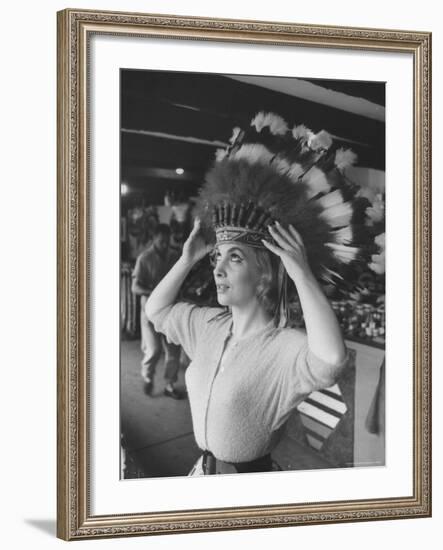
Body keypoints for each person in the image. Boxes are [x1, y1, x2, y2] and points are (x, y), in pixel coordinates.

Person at [145, 111, 360, 474]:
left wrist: (301, 272)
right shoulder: (209, 326)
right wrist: (187, 259)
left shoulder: (282, 347)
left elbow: (330, 361)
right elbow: (157, 311)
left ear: (263, 275)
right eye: (217, 257)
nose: (217, 268)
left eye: (235, 259)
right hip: (200, 475)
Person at [131, 223, 184, 399]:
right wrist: (154, 293)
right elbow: (135, 287)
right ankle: (147, 377)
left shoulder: (175, 256)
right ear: (154, 239)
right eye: (161, 241)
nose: (164, 244)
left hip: (170, 312)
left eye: (167, 241)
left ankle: (169, 384)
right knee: (153, 350)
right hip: (149, 312)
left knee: (174, 351)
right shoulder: (144, 258)